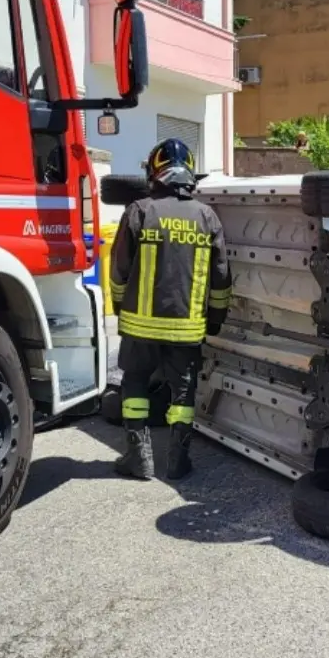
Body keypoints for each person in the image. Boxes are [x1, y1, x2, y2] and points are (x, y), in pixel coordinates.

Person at [109, 138, 232, 480]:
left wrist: (122, 307)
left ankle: (140, 460)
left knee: (134, 383)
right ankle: (177, 462)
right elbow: (222, 277)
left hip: (139, 326)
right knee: (182, 392)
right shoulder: (207, 216)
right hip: (187, 328)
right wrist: (216, 319)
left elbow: (118, 270)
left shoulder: (140, 210)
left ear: (155, 172)